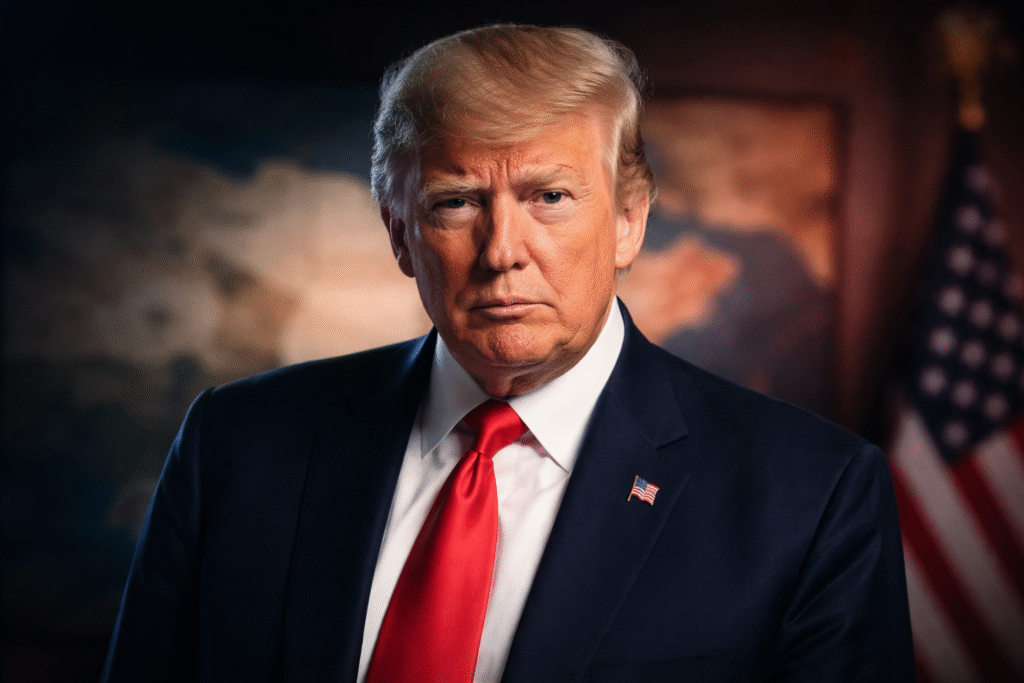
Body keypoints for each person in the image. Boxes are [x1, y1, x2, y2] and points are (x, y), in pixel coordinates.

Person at [101, 24, 915, 682]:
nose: (502, 251)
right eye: (456, 202)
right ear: (399, 233)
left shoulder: (811, 494)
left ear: (629, 221)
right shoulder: (235, 444)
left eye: (550, 197)